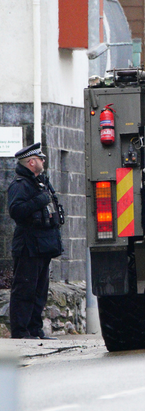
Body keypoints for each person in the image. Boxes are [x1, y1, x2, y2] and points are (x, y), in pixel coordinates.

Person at [7, 142, 64, 340]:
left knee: (39, 290)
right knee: (25, 290)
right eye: (40, 158)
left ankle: (35, 330)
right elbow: (16, 211)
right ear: (31, 162)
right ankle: (21, 332)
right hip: (28, 246)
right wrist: (40, 200)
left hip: (42, 246)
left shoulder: (40, 182)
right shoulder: (20, 185)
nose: (43, 161)